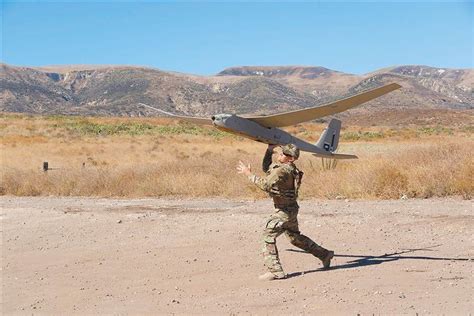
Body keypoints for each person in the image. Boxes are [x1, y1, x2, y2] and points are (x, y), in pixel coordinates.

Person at [237, 144, 334, 281]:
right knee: (295, 238)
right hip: (290, 209)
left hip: (284, 211)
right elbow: (266, 168)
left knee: (268, 236)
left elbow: (266, 185)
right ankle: (324, 255)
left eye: (283, 154)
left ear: (291, 159)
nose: (279, 155)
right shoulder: (288, 169)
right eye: (280, 153)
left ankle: (275, 271)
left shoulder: (282, 171)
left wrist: (248, 174)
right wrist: (269, 150)